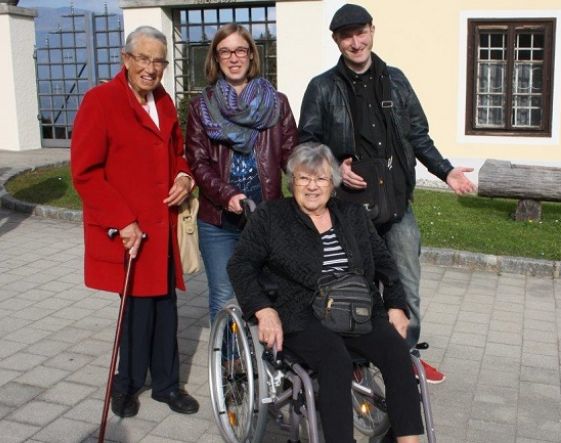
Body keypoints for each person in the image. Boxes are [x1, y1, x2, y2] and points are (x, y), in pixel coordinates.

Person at [298, 3, 477, 383]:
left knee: (405, 285)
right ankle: (355, 362)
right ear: (336, 40)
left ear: (373, 31)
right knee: (351, 287)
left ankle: (406, 358)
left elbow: (417, 135)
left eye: (361, 32)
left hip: (396, 206)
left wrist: (445, 171)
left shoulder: (396, 80)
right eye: (347, 36)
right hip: (347, 211)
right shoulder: (322, 87)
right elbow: (306, 144)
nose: (356, 42)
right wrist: (335, 169)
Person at [227, 143, 424, 443]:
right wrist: (263, 310)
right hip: (301, 314)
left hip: (358, 310)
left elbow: (385, 261)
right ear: (291, 182)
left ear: (333, 183)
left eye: (320, 179)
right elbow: (240, 264)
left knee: (397, 352)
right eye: (303, 178)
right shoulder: (271, 217)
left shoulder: (353, 214)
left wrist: (396, 305)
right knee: (335, 359)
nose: (312, 186)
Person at [70, 26, 199, 417]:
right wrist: (123, 220)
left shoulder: (163, 102)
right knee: (137, 311)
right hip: (131, 230)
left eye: (158, 61)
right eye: (143, 58)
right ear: (126, 60)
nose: (151, 68)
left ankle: (166, 385)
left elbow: (178, 152)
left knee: (166, 306)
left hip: (162, 226)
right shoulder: (101, 101)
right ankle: (124, 385)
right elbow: (86, 173)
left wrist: (184, 175)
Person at [185, 23, 297, 325]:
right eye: (225, 52)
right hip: (218, 222)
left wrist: (315, 175)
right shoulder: (201, 106)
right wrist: (227, 194)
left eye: (240, 50)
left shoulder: (277, 103)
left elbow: (292, 156)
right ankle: (230, 365)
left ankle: (270, 361)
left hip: (266, 218)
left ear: (251, 55)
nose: (233, 58)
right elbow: (197, 162)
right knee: (224, 296)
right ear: (216, 58)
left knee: (268, 293)